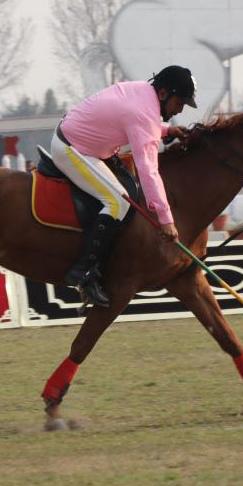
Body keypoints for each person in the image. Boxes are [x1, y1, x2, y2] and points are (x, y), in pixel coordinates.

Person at [51, 65, 197, 307]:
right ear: (163, 93)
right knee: (117, 201)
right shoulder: (143, 112)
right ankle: (83, 272)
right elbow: (148, 170)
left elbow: (139, 122)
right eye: (180, 102)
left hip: (84, 142)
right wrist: (166, 219)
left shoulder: (143, 92)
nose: (180, 109)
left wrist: (166, 130)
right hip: (71, 150)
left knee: (128, 191)